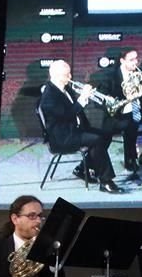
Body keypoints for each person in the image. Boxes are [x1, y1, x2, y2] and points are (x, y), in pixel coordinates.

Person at [39, 59, 123, 193]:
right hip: (63, 137)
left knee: (105, 135)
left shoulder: (64, 88)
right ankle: (106, 180)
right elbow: (67, 115)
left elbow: (75, 112)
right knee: (96, 140)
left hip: (75, 130)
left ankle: (82, 168)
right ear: (55, 75)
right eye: (66, 75)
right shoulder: (49, 96)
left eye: (70, 74)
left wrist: (91, 97)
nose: (70, 77)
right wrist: (83, 98)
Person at [103, 49, 142, 171]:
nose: (135, 62)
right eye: (131, 60)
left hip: (137, 109)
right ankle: (130, 159)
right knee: (131, 125)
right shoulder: (111, 76)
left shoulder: (141, 73)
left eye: (136, 59)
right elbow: (105, 96)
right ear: (122, 61)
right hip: (120, 112)